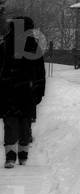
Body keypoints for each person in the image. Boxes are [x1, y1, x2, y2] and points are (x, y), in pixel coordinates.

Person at [1, 16, 47, 168]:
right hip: (27, 90)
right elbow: (40, 70)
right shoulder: (33, 45)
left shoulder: (5, 44)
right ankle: (22, 156)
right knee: (24, 123)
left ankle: (10, 157)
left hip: (8, 90)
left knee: (11, 123)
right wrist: (39, 89)